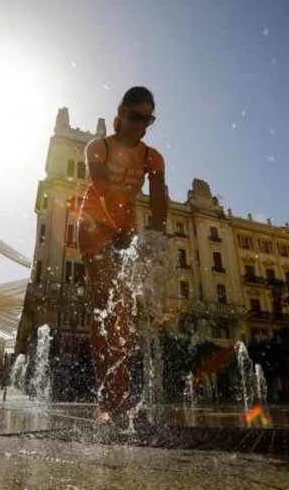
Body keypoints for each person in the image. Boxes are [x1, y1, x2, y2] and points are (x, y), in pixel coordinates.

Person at [77, 86, 168, 426]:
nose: (141, 125)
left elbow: (158, 198)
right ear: (120, 113)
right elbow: (102, 189)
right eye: (136, 117)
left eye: (148, 119)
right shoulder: (97, 147)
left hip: (125, 231)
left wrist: (157, 233)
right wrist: (122, 229)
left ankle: (124, 395)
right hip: (94, 226)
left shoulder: (152, 157)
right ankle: (105, 400)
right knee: (105, 305)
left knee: (125, 313)